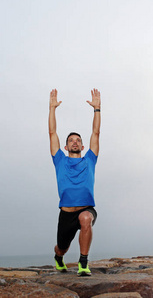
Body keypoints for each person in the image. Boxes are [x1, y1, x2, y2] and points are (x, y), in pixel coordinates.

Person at [48, 88, 101, 276]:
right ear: (66, 146)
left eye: (78, 140)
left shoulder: (90, 159)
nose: (75, 142)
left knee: (86, 218)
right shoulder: (60, 160)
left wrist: (97, 109)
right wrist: (52, 109)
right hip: (66, 214)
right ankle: (59, 257)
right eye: (71, 140)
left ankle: (83, 263)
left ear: (83, 146)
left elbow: (96, 133)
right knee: (61, 247)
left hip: (85, 208)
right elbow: (52, 132)